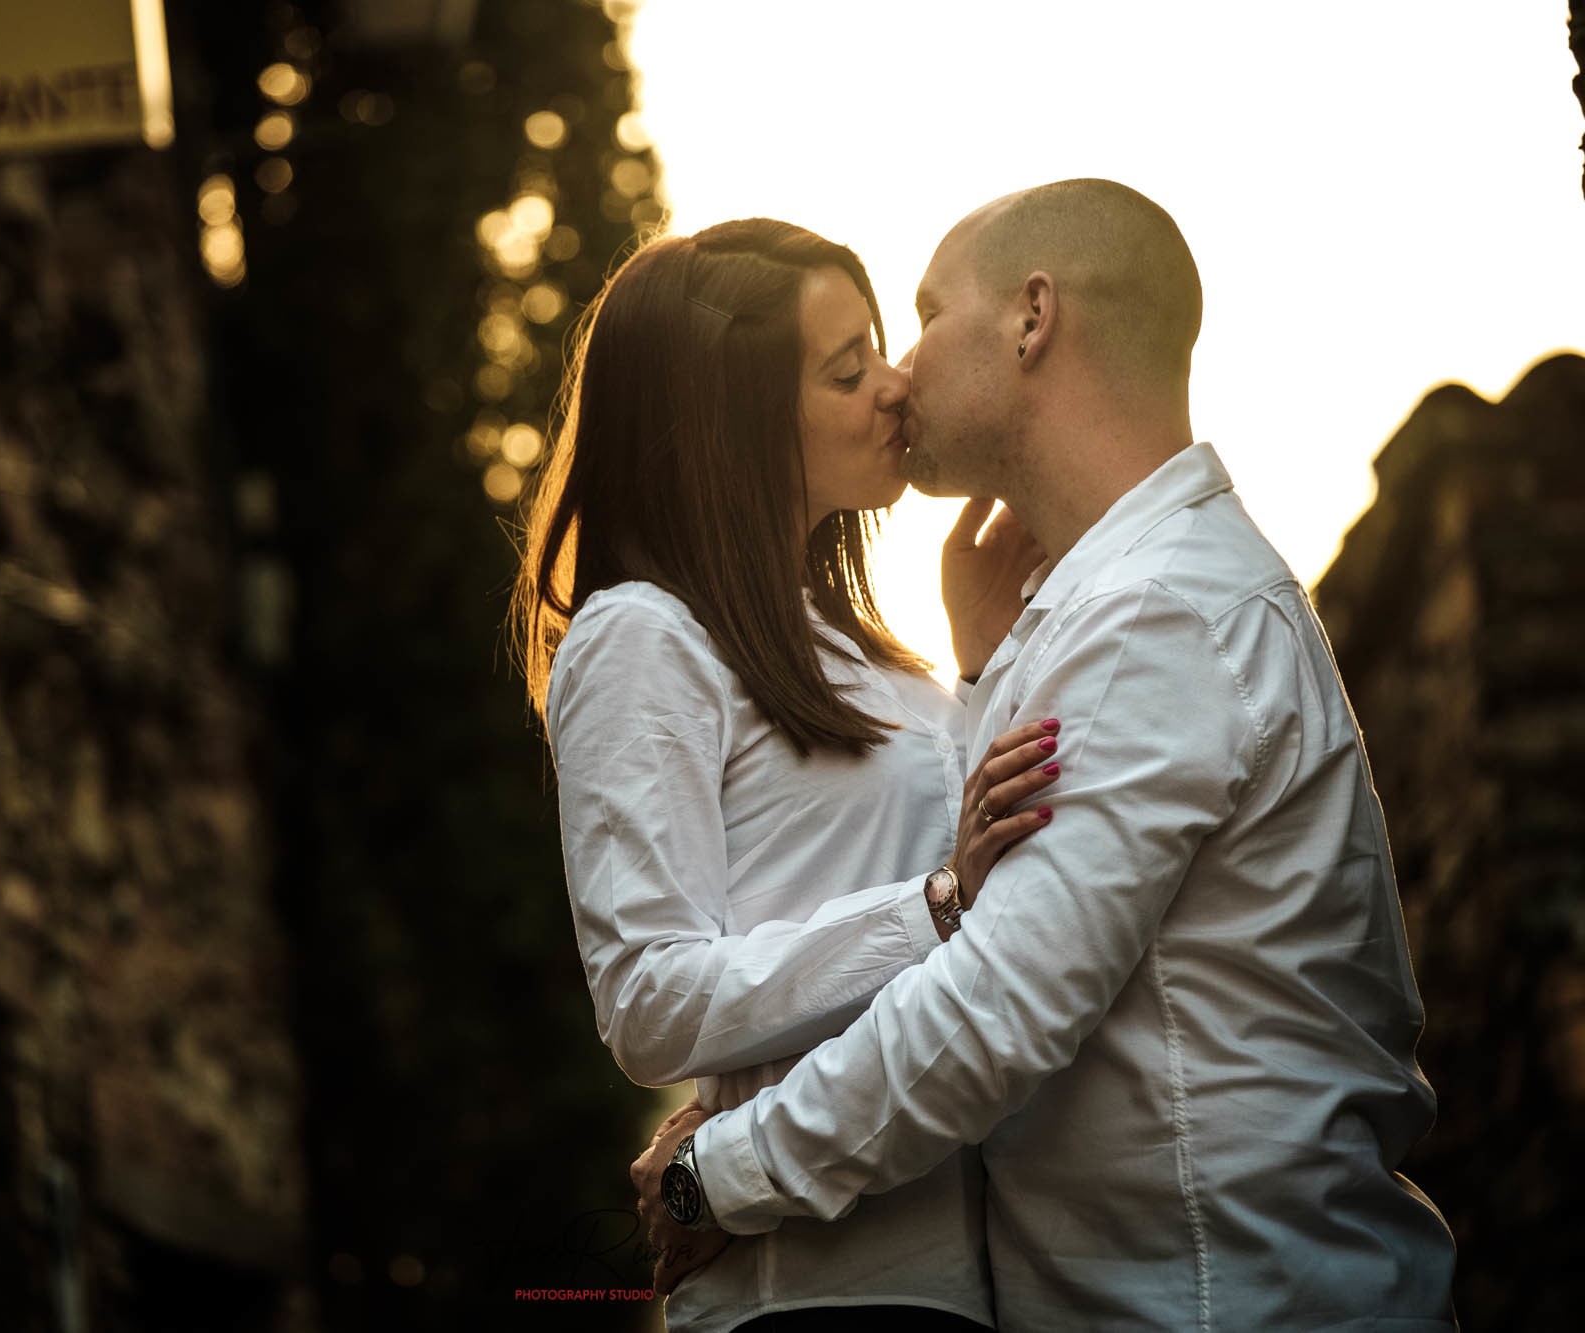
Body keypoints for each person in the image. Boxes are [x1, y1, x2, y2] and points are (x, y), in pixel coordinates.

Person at [630, 179, 1459, 1329]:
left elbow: (993, 1009)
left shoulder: (1152, 613)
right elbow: (997, 903)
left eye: (923, 315)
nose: (901, 373)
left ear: (1030, 317)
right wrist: (979, 681)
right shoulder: (1113, 610)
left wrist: (717, 1171)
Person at [512, 218, 1060, 1331]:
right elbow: (647, 1001)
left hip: (976, 1276)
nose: (895, 387)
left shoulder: (862, 649)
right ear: (730, 419)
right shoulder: (644, 637)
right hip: (809, 1292)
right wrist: (930, 908)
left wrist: (971, 668)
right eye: (848, 368)